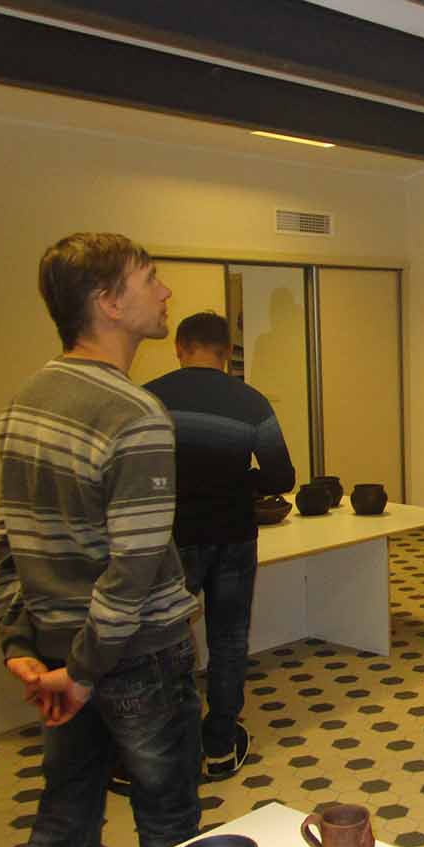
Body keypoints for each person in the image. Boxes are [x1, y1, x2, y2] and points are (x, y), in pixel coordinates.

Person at [0, 232, 201, 847]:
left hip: (61, 653)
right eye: (150, 278)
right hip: (134, 658)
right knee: (170, 832)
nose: (165, 291)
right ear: (109, 303)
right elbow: (133, 568)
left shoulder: (25, 399)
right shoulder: (136, 415)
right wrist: (83, 673)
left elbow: (7, 539)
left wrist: (20, 644)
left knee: (63, 823)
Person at [145, 311, 296, 779]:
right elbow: (281, 477)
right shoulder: (250, 402)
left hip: (171, 539)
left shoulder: (149, 398)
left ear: (179, 347)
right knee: (229, 639)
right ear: (228, 351)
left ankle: (171, 745)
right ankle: (221, 744)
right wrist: (237, 482)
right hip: (233, 534)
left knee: (165, 640)